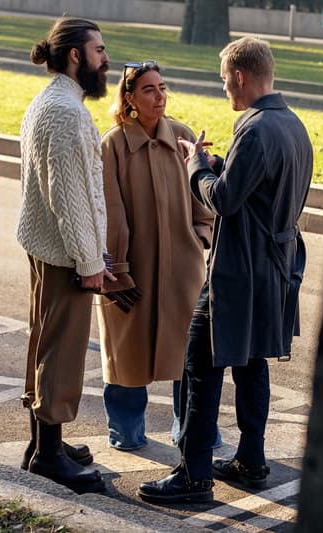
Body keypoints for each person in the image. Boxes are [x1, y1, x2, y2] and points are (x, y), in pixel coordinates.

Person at [138, 36, 313, 504]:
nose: (223, 91)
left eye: (223, 82)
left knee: (200, 365)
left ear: (239, 76)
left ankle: (193, 475)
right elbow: (260, 187)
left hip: (238, 271)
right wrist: (218, 162)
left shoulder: (253, 128)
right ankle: (252, 461)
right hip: (276, 269)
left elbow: (225, 199)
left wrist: (196, 165)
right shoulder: (292, 124)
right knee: (253, 365)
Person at [15, 16, 114, 494]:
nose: (105, 59)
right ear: (75, 55)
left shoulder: (48, 102)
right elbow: (70, 197)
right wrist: (90, 263)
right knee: (61, 354)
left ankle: (42, 445)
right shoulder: (66, 112)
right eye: (98, 51)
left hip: (45, 249)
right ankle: (49, 457)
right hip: (65, 257)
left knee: (43, 343)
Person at [97, 61, 214, 451]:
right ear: (129, 98)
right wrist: (118, 269)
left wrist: (202, 231)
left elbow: (200, 193)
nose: (159, 96)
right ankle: (126, 433)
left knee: (189, 352)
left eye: (163, 88)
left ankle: (193, 431)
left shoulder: (180, 134)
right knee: (126, 356)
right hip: (134, 268)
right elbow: (110, 212)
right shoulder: (112, 144)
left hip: (183, 267)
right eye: (149, 89)